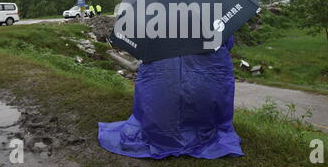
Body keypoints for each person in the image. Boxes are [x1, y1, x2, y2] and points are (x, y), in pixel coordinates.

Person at [98, 37, 243, 159]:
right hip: (203, 98)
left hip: (160, 109)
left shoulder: (155, 22)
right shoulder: (212, 17)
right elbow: (227, 44)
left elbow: (142, 50)